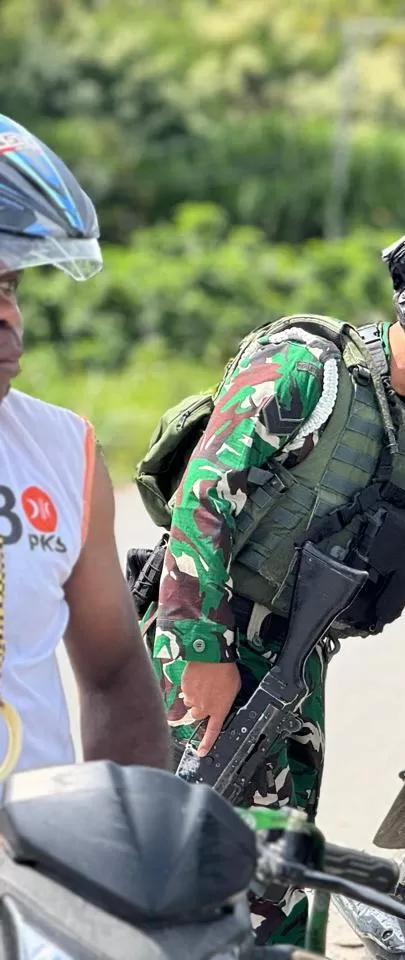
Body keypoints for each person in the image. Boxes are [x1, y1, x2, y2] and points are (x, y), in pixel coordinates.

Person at [142, 225, 405, 945]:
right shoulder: (308, 370)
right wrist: (202, 653)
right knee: (175, 851)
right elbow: (203, 507)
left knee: (274, 866)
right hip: (210, 639)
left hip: (295, 668)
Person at [0, 115, 169, 775]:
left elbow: (114, 672)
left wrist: (134, 826)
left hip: (31, 838)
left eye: (10, 286)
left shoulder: (62, 451)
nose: (8, 314)